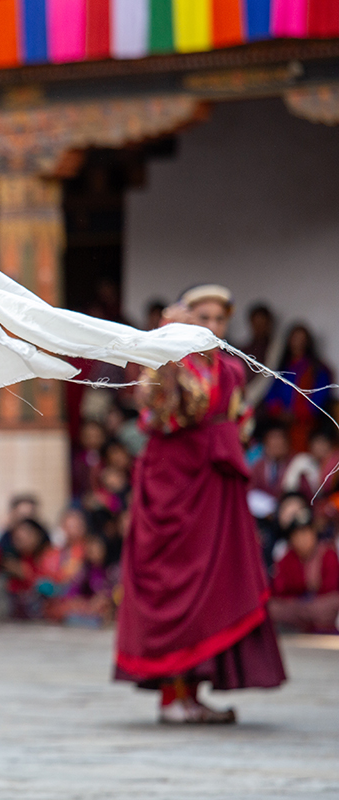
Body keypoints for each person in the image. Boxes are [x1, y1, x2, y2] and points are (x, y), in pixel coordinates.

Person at [116, 284, 286, 724]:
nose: (211, 326)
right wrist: (166, 347)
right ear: (185, 318)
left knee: (210, 588)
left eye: (219, 319)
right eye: (202, 317)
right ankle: (171, 695)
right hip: (170, 483)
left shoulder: (231, 369)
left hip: (212, 486)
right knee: (173, 584)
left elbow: (241, 423)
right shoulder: (163, 359)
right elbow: (154, 411)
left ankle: (193, 691)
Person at [262, 323, 334, 454]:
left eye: (302, 339)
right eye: (295, 338)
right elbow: (271, 394)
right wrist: (279, 412)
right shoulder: (283, 367)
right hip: (281, 423)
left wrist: (296, 414)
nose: (298, 343)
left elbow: (319, 399)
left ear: (308, 342)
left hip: (307, 426)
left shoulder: (318, 369)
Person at [267, 516, 339, 634]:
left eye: (306, 533)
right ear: (291, 539)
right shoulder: (286, 558)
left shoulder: (327, 553)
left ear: (314, 534)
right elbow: (279, 589)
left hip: (319, 606)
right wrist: (305, 585)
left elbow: (331, 589)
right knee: (272, 607)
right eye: (298, 535)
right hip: (297, 608)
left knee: (332, 603)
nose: (303, 539)